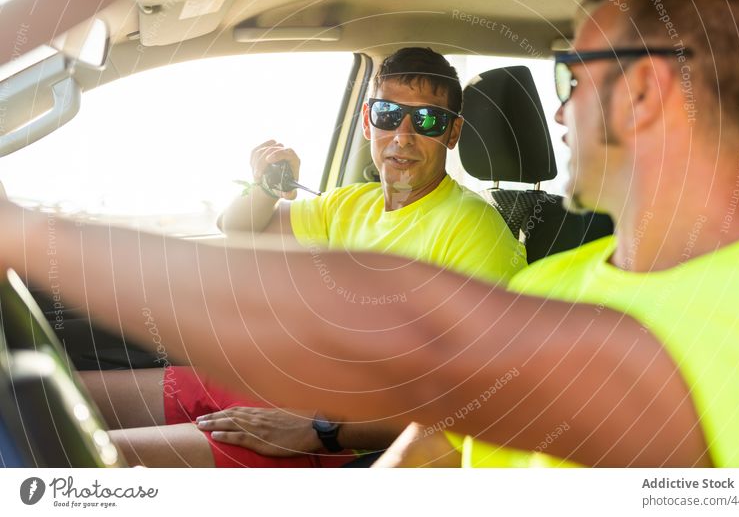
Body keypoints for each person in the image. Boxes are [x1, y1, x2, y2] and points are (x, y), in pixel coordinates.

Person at [1, 0, 739, 468]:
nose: (560, 116)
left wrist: (25, 235)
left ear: (648, 92)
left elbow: (429, 343)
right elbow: (440, 438)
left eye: (570, 78)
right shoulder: (560, 277)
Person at [77, 46, 526, 467]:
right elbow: (237, 227)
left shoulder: (474, 230)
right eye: (389, 114)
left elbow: (466, 398)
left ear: (452, 133)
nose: (402, 136)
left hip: (341, 432)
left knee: (78, 453)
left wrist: (319, 429)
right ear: (368, 122)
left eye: (427, 121)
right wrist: (268, 187)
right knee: (56, 397)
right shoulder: (353, 203)